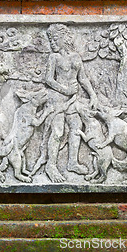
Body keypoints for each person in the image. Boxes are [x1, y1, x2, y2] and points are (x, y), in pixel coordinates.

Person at [41, 24, 99, 183]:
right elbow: (47, 79)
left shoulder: (76, 57)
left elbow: (83, 78)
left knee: (76, 127)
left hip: (72, 99)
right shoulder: (54, 57)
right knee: (58, 132)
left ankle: (72, 162)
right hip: (57, 98)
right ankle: (50, 165)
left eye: (54, 39)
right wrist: (65, 89)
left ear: (64, 38)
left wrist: (93, 95)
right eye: (50, 39)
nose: (52, 42)